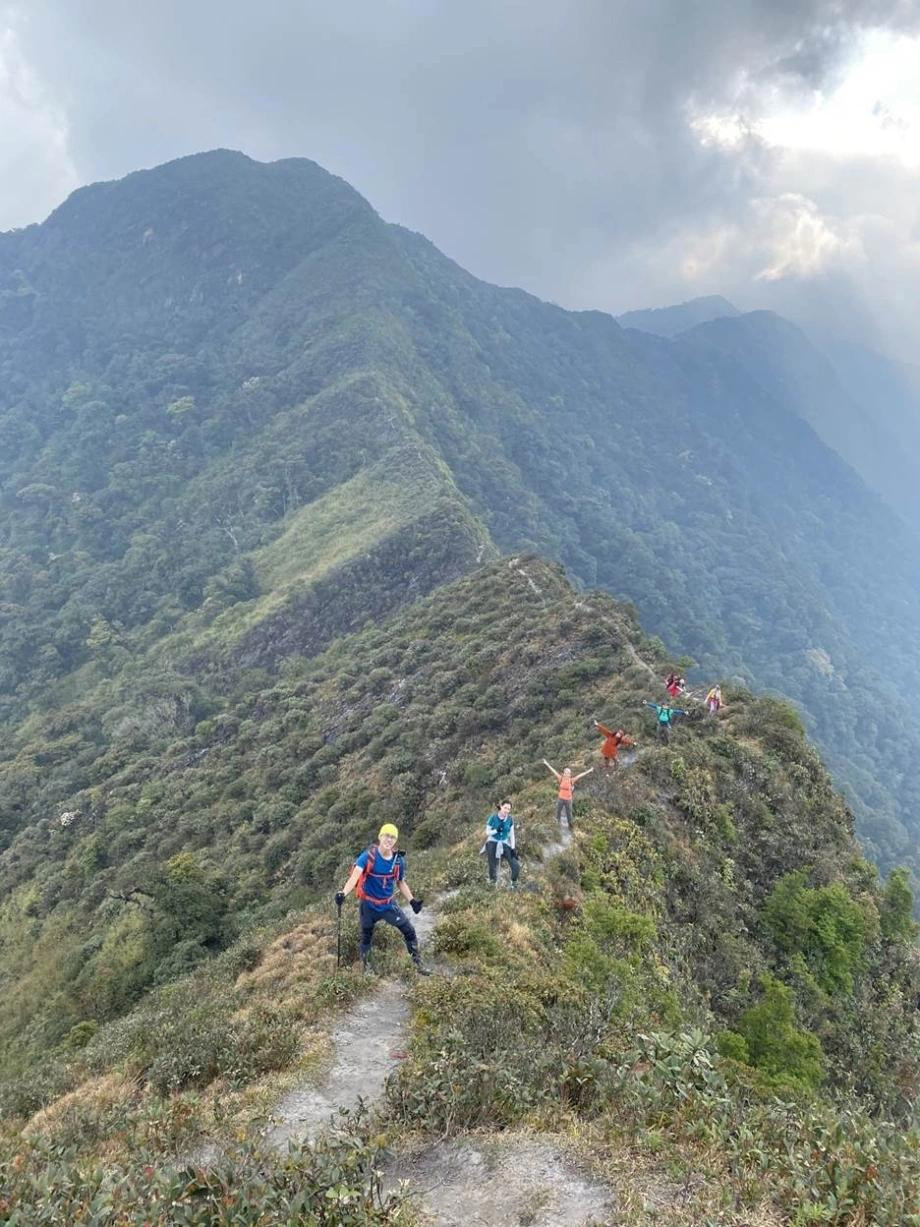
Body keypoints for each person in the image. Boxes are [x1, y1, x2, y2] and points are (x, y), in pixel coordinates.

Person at [335, 823, 430, 975]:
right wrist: (343, 893)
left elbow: (400, 882)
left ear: (395, 840)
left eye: (393, 837)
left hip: (387, 906)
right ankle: (367, 970)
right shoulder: (367, 857)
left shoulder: (398, 861)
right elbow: (355, 877)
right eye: (386, 835)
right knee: (366, 937)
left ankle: (417, 964)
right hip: (368, 906)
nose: (389, 840)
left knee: (409, 931)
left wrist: (412, 901)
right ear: (380, 837)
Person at [543, 760, 593, 830]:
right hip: (560, 799)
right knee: (558, 811)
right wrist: (547, 764)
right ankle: (557, 825)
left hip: (568, 800)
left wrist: (589, 771)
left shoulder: (571, 780)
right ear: (563, 773)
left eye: (568, 773)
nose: (567, 774)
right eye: (566, 772)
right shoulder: (561, 778)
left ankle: (570, 826)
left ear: (570, 774)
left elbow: (580, 775)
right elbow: (553, 771)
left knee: (569, 813)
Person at [483, 800, 521, 888]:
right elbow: (487, 832)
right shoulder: (493, 817)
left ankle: (514, 883)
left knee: (515, 865)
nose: (507, 810)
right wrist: (496, 830)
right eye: (505, 808)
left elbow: (512, 834)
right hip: (492, 841)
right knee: (492, 863)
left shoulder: (510, 819)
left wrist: (513, 848)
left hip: (504, 842)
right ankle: (492, 882)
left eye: (509, 809)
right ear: (501, 807)